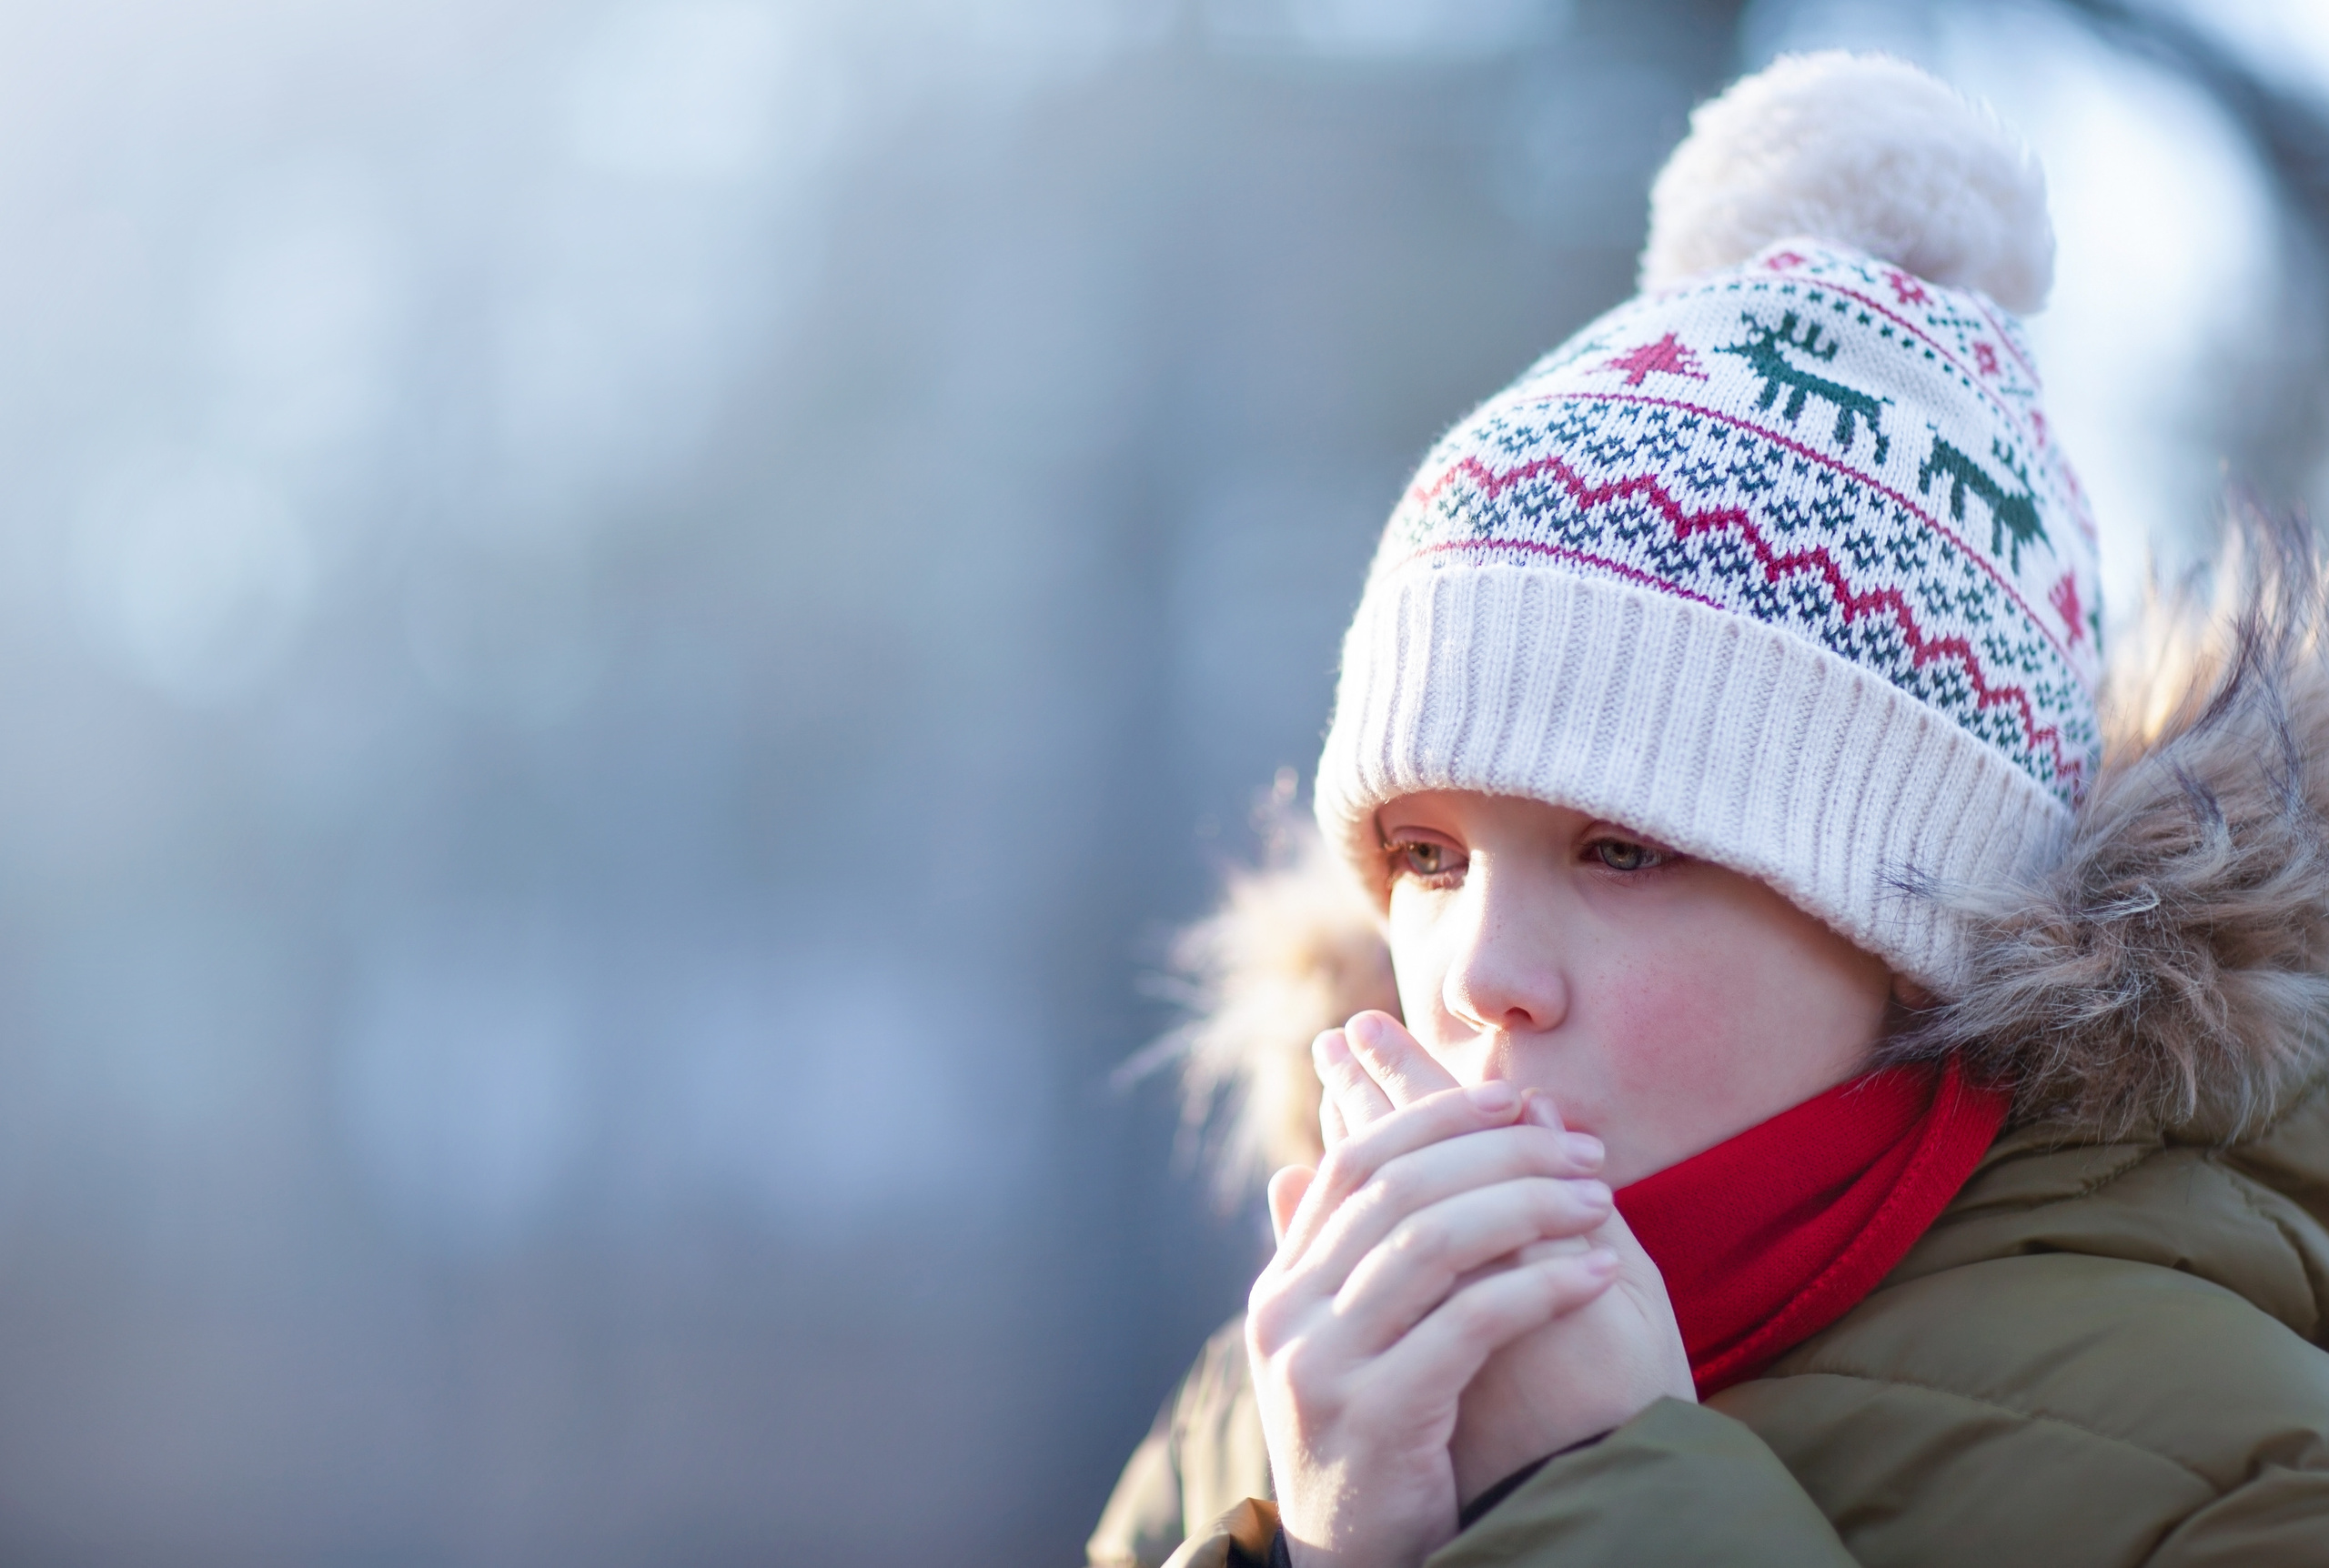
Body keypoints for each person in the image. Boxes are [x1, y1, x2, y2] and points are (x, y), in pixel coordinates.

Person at [1087, 51, 2329, 1568]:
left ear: (1916, 920)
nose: (1477, 973)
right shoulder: (1276, 1404)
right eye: (1427, 855)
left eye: (1624, 849)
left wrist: (1598, 1497)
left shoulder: (2236, 1467)